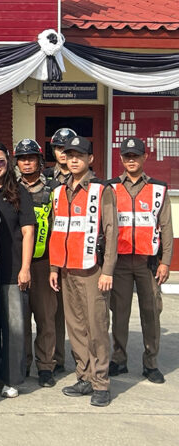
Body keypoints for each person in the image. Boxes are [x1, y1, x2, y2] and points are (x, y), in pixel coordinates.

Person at [48, 136, 117, 407]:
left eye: (80, 155)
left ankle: (101, 382)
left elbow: (111, 231)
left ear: (91, 159)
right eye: (70, 155)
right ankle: (84, 376)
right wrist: (54, 267)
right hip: (67, 269)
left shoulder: (102, 190)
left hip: (92, 269)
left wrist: (107, 270)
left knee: (96, 327)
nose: (74, 160)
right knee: (76, 327)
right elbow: (57, 232)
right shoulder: (58, 191)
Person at [108, 137, 172, 384]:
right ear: (121, 159)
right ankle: (119, 360)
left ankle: (151, 364)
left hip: (149, 263)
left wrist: (166, 261)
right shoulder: (111, 188)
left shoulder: (158, 189)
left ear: (145, 157)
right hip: (120, 262)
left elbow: (166, 227)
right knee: (119, 313)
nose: (131, 160)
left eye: (136, 155)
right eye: (127, 156)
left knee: (151, 313)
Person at [0, 142, 35, 400]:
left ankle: (13, 379)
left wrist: (25, 267)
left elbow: (28, 232)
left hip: (13, 269)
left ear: (8, 163)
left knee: (14, 329)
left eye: (1, 161)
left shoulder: (19, 192)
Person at [14, 138, 65, 388]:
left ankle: (46, 366)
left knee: (46, 317)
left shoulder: (54, 189)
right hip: (18, 263)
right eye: (22, 159)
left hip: (45, 262)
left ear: (40, 160)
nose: (26, 163)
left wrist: (56, 265)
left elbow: (60, 226)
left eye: (31, 158)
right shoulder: (11, 189)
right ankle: (22, 363)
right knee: (21, 318)